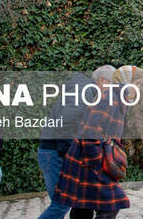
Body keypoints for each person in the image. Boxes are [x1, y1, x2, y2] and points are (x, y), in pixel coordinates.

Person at [54, 65, 130, 219]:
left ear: (102, 80)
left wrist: (95, 160)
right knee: (102, 204)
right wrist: (96, 161)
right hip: (90, 159)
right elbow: (90, 132)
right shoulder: (112, 97)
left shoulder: (107, 96)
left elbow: (91, 131)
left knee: (86, 204)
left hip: (86, 158)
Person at [38, 73, 95, 219]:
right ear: (103, 81)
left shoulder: (83, 88)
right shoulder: (85, 90)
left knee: (62, 203)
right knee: (61, 204)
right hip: (54, 151)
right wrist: (69, 155)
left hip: (52, 150)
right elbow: (67, 122)